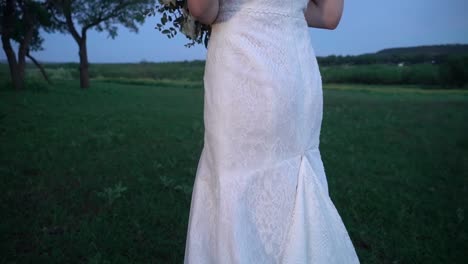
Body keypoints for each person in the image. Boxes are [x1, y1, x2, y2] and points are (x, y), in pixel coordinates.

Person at [183, 0, 360, 263]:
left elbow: (202, 9)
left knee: (236, 179)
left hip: (242, 63)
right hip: (297, 69)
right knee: (295, 177)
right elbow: (329, 15)